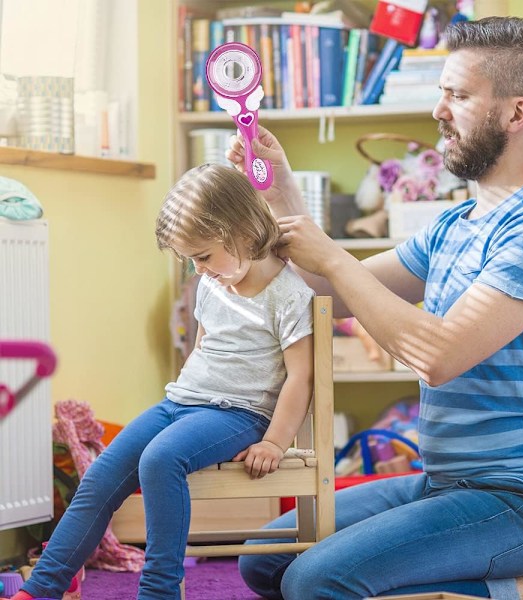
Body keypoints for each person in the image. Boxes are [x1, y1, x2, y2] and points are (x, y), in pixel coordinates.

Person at [226, 16, 523, 600]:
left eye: (457, 95)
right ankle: (511, 577)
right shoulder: (454, 224)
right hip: (445, 482)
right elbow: (326, 286)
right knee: (265, 560)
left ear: (516, 113)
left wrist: (332, 255)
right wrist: (282, 194)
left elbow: (439, 355)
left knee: (316, 581)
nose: (438, 110)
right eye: (441, 93)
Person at [2, 163, 315, 600]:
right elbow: (203, 352)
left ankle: (158, 592)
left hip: (239, 413)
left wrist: (276, 441)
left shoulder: (290, 293)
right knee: (102, 474)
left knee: (160, 460)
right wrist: (182, 405)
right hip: (182, 402)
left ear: (242, 230)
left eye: (203, 255)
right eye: (191, 259)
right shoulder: (212, 283)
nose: (199, 269)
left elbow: (301, 376)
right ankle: (40, 589)